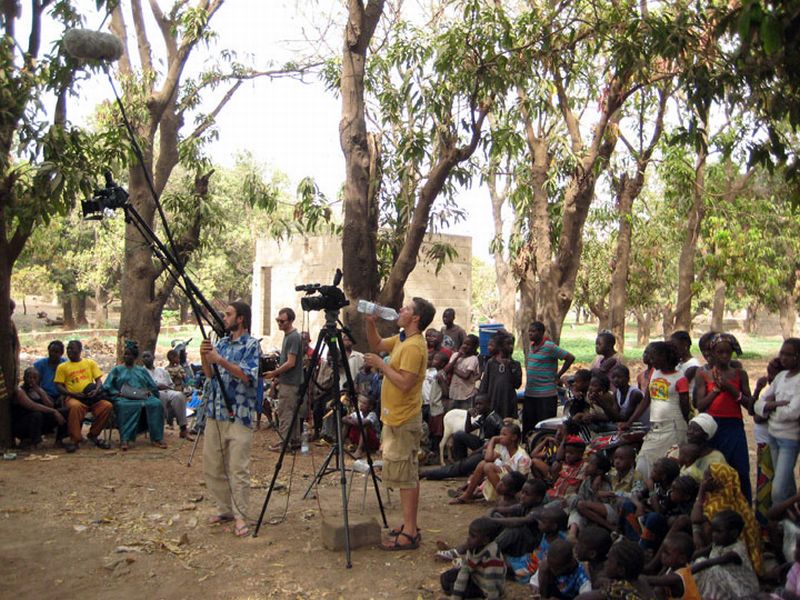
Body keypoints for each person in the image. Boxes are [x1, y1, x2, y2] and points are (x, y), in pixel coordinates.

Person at [364, 296, 434, 550]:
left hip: (405, 418)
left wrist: (381, 365)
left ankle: (410, 532)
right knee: (405, 473)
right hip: (395, 416)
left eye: (407, 308)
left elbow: (405, 383)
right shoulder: (403, 339)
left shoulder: (415, 346)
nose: (400, 310)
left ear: (416, 318)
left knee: (406, 475)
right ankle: (408, 525)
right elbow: (378, 343)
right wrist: (370, 323)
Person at [201, 301, 261, 538]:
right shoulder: (221, 344)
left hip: (239, 414)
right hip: (215, 413)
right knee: (213, 465)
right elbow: (209, 374)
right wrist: (205, 356)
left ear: (241, 319)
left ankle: (240, 515)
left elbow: (247, 375)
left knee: (238, 468)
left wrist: (219, 360)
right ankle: (224, 508)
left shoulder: (251, 345)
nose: (224, 318)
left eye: (229, 315)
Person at [694, 332, 753, 502]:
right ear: (711, 353)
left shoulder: (739, 374)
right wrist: (716, 391)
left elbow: (749, 405)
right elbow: (700, 405)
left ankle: (743, 509)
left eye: (728, 352)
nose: (725, 356)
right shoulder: (702, 374)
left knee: (739, 469)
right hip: (712, 426)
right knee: (715, 469)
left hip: (733, 426)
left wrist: (731, 389)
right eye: (720, 352)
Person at [624, 341, 690, 479]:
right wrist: (629, 422)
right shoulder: (655, 372)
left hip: (674, 427)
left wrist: (687, 426)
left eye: (654, 357)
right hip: (656, 427)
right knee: (643, 461)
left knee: (666, 465)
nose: (651, 360)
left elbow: (685, 407)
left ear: (665, 357)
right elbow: (646, 401)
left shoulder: (680, 378)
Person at [690, 463, 762, 576]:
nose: (704, 480)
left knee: (705, 527)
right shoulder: (738, 500)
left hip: (727, 550)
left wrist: (701, 490)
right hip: (729, 549)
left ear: (717, 480)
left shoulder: (718, 504)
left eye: (707, 477)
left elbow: (695, 518)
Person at [754, 338, 800, 506]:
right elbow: (758, 406)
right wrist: (773, 404)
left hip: (789, 439)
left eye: (789, 354)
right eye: (782, 353)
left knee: (778, 491)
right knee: (787, 486)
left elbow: (791, 413)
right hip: (772, 435)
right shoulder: (780, 377)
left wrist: (768, 408)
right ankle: (790, 525)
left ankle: (781, 522)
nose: (784, 358)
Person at [104, 341, 167, 451]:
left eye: (129, 354)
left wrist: (152, 393)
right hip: (123, 397)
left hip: (141, 396)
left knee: (156, 404)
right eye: (125, 354)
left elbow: (151, 385)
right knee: (124, 406)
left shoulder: (141, 370)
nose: (126, 356)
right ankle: (125, 439)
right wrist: (116, 393)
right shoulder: (117, 370)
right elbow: (107, 385)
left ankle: (157, 438)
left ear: (134, 357)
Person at [448, 423, 530, 504]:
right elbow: (488, 458)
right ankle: (467, 495)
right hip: (502, 481)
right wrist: (493, 441)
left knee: (488, 467)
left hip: (514, 487)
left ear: (514, 437)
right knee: (482, 464)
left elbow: (523, 480)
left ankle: (505, 498)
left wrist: (511, 471)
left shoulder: (522, 456)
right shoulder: (502, 448)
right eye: (500, 434)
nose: (500, 437)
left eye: (504, 435)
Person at [54, 339, 113, 452]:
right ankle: (75, 439)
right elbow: (58, 386)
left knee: (107, 406)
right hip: (73, 397)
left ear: (80, 350)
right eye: (68, 349)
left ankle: (93, 434)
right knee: (76, 407)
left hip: (91, 397)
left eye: (72, 348)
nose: (69, 351)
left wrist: (96, 390)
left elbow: (99, 380)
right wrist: (72, 394)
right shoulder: (62, 367)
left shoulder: (89, 363)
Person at [692, 509, 759, 599]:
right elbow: (698, 554)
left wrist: (690, 571)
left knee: (711, 569)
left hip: (744, 591)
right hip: (727, 587)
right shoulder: (716, 544)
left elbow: (713, 562)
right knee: (701, 564)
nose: (714, 534)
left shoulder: (738, 549)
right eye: (713, 530)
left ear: (733, 533)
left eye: (719, 531)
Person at [523, 321, 575, 438]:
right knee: (529, 425)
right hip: (531, 393)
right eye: (529, 331)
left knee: (544, 426)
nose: (530, 334)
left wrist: (558, 375)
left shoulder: (549, 346)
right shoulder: (531, 346)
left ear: (541, 332)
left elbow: (570, 357)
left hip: (546, 394)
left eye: (533, 331)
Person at [263, 307, 304, 452]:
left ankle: (284, 443)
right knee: (291, 412)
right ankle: (294, 441)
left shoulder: (293, 337)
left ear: (290, 321)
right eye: (277, 320)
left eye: (282, 321)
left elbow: (291, 362)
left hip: (291, 383)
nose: (279, 323)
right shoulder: (289, 336)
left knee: (285, 412)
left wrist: (274, 373)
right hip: (289, 381)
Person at [439, 517, 505, 600]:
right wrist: (456, 597)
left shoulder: (492, 557)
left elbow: (492, 584)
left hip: (484, 588)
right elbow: (464, 571)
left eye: (473, 536)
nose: (468, 538)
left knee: (455, 588)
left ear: (485, 540)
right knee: (445, 578)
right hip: (475, 577)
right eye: (469, 534)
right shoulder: (473, 547)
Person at [12, 367, 68, 449]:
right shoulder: (20, 391)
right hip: (23, 425)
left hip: (39, 423)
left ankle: (59, 440)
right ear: (24, 378)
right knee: (36, 414)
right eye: (29, 377)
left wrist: (40, 391)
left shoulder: (39, 390)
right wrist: (54, 412)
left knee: (64, 412)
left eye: (35, 378)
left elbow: (50, 405)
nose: (32, 380)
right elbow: (32, 405)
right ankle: (34, 442)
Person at [141, 350, 191, 439]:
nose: (146, 359)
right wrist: (156, 386)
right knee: (161, 396)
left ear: (153, 357)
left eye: (148, 356)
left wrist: (169, 388)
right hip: (152, 394)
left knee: (179, 396)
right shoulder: (141, 372)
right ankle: (158, 429)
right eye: (144, 357)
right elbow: (142, 387)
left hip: (167, 390)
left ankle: (183, 428)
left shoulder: (161, 371)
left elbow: (171, 385)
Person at [643, 531, 701, 600]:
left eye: (667, 553)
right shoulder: (672, 567)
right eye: (663, 551)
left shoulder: (677, 577)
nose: (662, 555)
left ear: (681, 559)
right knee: (658, 590)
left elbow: (654, 580)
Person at [479, 331, 522, 420]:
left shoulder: (515, 364)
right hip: (493, 400)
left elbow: (517, 384)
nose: (511, 347)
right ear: (500, 346)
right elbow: (484, 384)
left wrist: (511, 367)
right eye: (508, 344)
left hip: (508, 402)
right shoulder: (491, 363)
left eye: (512, 344)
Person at [443, 334, 480, 410]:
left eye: (468, 345)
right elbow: (446, 370)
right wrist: (458, 356)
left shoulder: (473, 359)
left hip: (467, 394)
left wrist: (453, 369)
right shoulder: (455, 355)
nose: (465, 346)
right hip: (454, 393)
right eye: (464, 343)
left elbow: (466, 376)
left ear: (474, 348)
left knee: (464, 416)